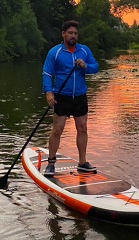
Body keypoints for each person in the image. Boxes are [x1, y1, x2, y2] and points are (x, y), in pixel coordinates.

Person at [42, 20, 99, 176]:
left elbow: (96, 67)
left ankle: (82, 162)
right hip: (62, 96)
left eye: (75, 33)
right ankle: (51, 163)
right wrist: (48, 92)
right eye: (70, 33)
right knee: (57, 129)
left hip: (80, 96)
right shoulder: (55, 52)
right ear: (63, 34)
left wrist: (86, 67)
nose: (73, 36)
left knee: (82, 128)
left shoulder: (84, 51)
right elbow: (47, 73)